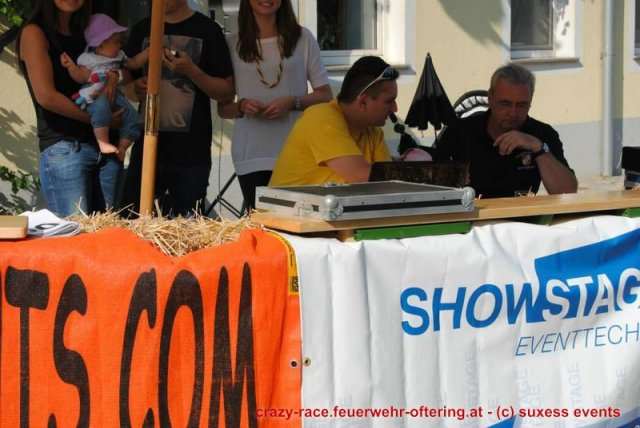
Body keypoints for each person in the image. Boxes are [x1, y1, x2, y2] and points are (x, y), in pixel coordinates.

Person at [122, 0, 234, 218]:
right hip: (146, 148)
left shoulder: (207, 30)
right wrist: (135, 87)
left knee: (188, 226)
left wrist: (192, 71)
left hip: (191, 152)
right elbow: (127, 89)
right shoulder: (142, 29)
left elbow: (226, 92)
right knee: (133, 220)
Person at [217, 0, 332, 211]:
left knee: (297, 220)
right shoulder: (232, 44)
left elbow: (325, 95)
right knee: (261, 221)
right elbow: (223, 109)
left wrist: (293, 102)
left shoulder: (302, 38)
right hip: (251, 153)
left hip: (296, 151)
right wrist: (242, 106)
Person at [16, 0, 122, 217]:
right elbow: (47, 97)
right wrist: (100, 120)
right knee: (75, 233)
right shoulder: (34, 32)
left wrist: (114, 76)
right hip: (66, 147)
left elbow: (121, 66)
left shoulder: (90, 29)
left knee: (107, 233)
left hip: (107, 148)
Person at [434, 63, 577, 198]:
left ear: (530, 102)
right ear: (490, 98)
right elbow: (432, 186)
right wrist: (453, 179)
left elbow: (567, 192)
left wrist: (538, 148)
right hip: (473, 214)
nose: (513, 113)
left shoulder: (542, 134)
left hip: (522, 214)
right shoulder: (460, 132)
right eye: (505, 104)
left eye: (521, 105)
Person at [268, 56, 396, 187]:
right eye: (389, 101)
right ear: (363, 102)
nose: (395, 108)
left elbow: (390, 184)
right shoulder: (321, 118)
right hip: (283, 202)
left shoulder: (373, 132)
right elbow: (360, 175)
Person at [61, 13, 148, 161]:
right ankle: (103, 142)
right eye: (116, 42)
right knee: (100, 109)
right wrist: (71, 67)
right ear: (99, 44)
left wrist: (149, 52)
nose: (120, 45)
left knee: (133, 117)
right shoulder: (89, 59)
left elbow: (133, 63)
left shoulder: (119, 55)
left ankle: (122, 147)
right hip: (94, 90)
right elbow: (81, 77)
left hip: (115, 94)